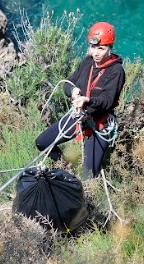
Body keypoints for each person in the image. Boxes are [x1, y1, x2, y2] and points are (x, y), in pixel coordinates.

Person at [35, 21, 126, 179]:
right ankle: (65, 168)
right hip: (78, 117)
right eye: (93, 48)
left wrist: (87, 100)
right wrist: (73, 90)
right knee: (43, 142)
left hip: (99, 124)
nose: (96, 53)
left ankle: (86, 192)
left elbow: (107, 100)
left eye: (101, 48)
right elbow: (68, 83)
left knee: (88, 176)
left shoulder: (116, 71)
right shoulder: (87, 62)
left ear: (110, 48)